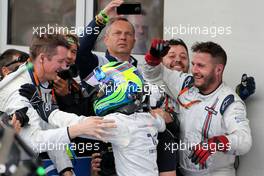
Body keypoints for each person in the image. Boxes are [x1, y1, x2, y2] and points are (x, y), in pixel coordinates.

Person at [20, 61, 167, 176]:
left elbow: (77, 125)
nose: (99, 94)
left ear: (121, 89)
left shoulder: (121, 124)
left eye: (103, 89)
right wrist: (151, 110)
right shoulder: (148, 119)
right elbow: (161, 125)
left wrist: (42, 107)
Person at [0, 34, 116, 176]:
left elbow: (48, 124)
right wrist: (76, 129)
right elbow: (34, 140)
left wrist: (66, 169)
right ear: (42, 58)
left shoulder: (42, 79)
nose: (65, 66)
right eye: (60, 61)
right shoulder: (18, 89)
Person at [143, 40, 252, 176]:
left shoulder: (230, 101)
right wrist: (153, 58)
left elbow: (245, 141)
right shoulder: (187, 83)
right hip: (183, 172)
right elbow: (154, 75)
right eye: (193, 64)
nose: (194, 70)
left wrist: (216, 143)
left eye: (201, 66)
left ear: (218, 69)